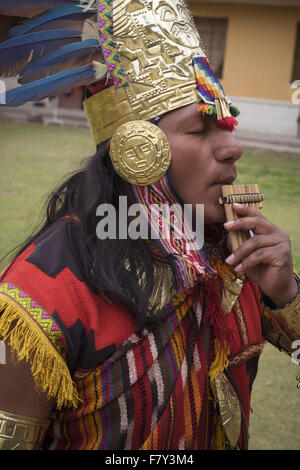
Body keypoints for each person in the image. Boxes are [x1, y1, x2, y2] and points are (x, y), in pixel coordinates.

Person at [0, 0, 299, 451]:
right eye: (200, 131)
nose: (234, 147)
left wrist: (285, 293)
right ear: (137, 149)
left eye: (228, 125)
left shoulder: (237, 252)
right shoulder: (42, 293)